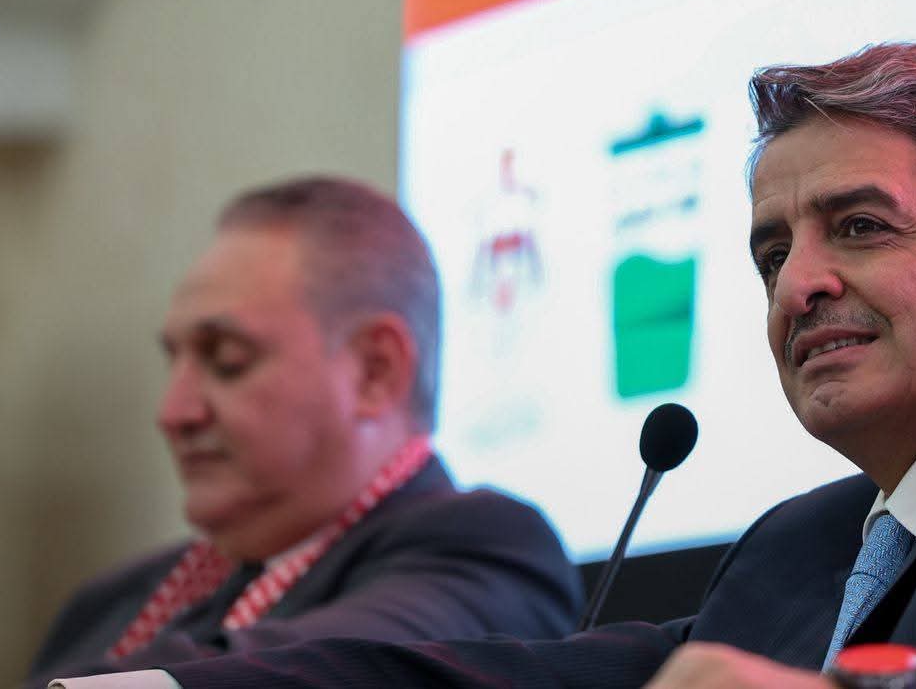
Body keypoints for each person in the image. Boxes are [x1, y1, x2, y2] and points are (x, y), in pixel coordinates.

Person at [61, 44, 916, 688]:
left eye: (857, 227)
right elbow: (492, 677)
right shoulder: (800, 546)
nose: (798, 282)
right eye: (772, 250)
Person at [29, 176, 581, 684]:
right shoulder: (111, 599)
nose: (173, 412)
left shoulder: (485, 551)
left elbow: (304, 671)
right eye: (174, 362)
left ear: (374, 371)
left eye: (226, 360)